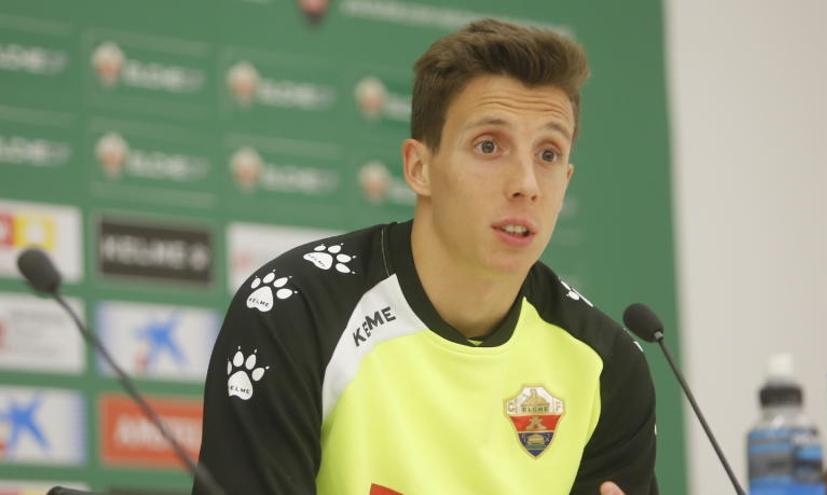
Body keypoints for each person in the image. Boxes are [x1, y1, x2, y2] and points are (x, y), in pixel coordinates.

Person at [194, 18, 657, 495]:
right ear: (419, 168)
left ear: (567, 181)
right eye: (489, 145)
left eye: (548, 154)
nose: (526, 183)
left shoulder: (608, 368)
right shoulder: (295, 309)